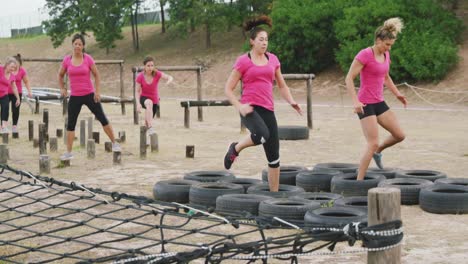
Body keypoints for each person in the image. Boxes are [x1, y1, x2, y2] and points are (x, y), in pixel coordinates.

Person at [223, 15, 302, 192]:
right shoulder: (243, 61)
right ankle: (235, 148)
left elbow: (282, 85)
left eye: (266, 40)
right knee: (261, 134)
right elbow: (228, 88)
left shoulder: (273, 59)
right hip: (249, 109)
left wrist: (291, 101)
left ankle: (274, 196)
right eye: (261, 39)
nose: (264, 43)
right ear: (252, 41)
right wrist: (239, 106)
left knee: (274, 157)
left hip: (268, 109)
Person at [345, 17, 407, 180]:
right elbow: (349, 78)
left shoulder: (386, 55)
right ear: (378, 40)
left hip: (379, 102)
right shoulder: (365, 54)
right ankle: (358, 182)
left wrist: (397, 93)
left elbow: (386, 77)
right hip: (365, 104)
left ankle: (379, 152)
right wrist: (355, 102)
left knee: (399, 135)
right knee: (372, 143)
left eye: (391, 45)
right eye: (387, 44)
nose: (389, 48)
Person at [58, 33, 121, 160]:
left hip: (89, 94)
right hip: (75, 96)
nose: (77, 46)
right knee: (70, 123)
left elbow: (97, 75)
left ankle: (115, 143)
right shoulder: (67, 60)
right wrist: (62, 88)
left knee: (102, 117)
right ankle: (69, 152)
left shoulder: (88, 59)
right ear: (72, 45)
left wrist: (97, 92)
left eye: (80, 44)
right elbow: (60, 75)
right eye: (75, 44)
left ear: (83, 46)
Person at [135, 56, 173, 134]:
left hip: (155, 100)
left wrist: (169, 80)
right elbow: (137, 91)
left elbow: (169, 77)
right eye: (148, 66)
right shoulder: (140, 76)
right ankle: (151, 128)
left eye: (152, 65)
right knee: (149, 103)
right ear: (144, 66)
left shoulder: (157, 74)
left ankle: (147, 138)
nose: (150, 67)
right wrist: (138, 104)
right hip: (144, 98)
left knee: (147, 121)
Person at [9, 54, 33, 133]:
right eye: (13, 62)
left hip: (17, 94)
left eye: (16, 63)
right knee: (4, 109)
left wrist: (29, 91)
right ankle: (3, 125)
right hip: (6, 92)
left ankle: (14, 126)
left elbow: (26, 81)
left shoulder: (22, 71)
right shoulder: (8, 69)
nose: (14, 65)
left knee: (15, 110)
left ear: (19, 63)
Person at [0, 57, 21, 133]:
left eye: (14, 68)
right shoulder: (0, 69)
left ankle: (4, 127)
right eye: (12, 67)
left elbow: (14, 87)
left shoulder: (12, 76)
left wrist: (18, 98)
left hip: (4, 95)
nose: (13, 69)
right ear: (7, 65)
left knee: (5, 108)